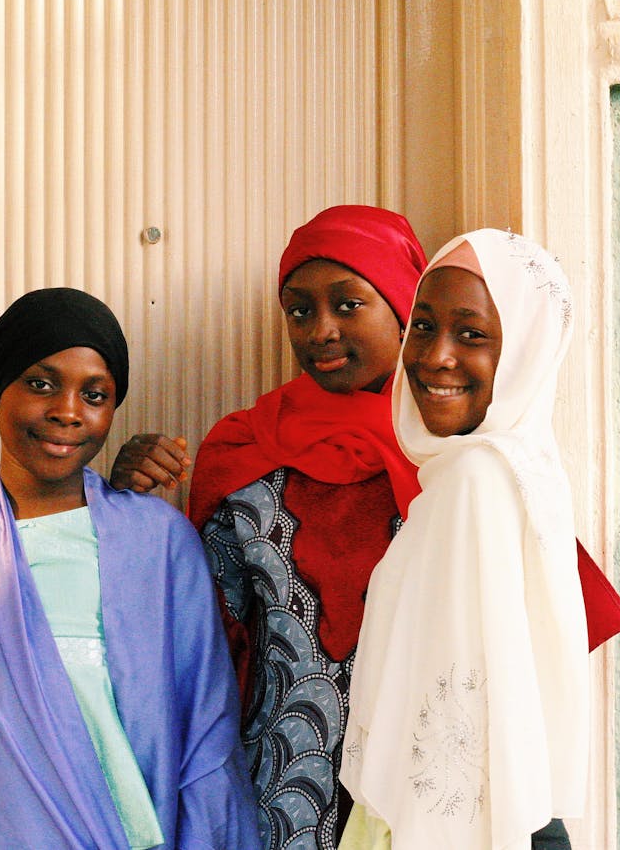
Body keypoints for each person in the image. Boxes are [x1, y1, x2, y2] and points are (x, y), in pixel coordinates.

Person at [0, 287, 259, 849]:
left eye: (95, 394)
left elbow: (206, 731)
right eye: (40, 383)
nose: (67, 411)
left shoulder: (159, 540)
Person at [113, 205, 426, 848]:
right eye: (299, 310)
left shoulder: (450, 458)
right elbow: (189, 640)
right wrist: (126, 504)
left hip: (423, 789)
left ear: (402, 305)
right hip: (274, 800)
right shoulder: (243, 451)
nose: (321, 331)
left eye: (348, 304)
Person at [339, 230, 587, 849]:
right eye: (422, 326)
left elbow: (456, 736)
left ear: (525, 351)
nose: (435, 356)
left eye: (471, 334)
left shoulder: (478, 480)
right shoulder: (513, 466)